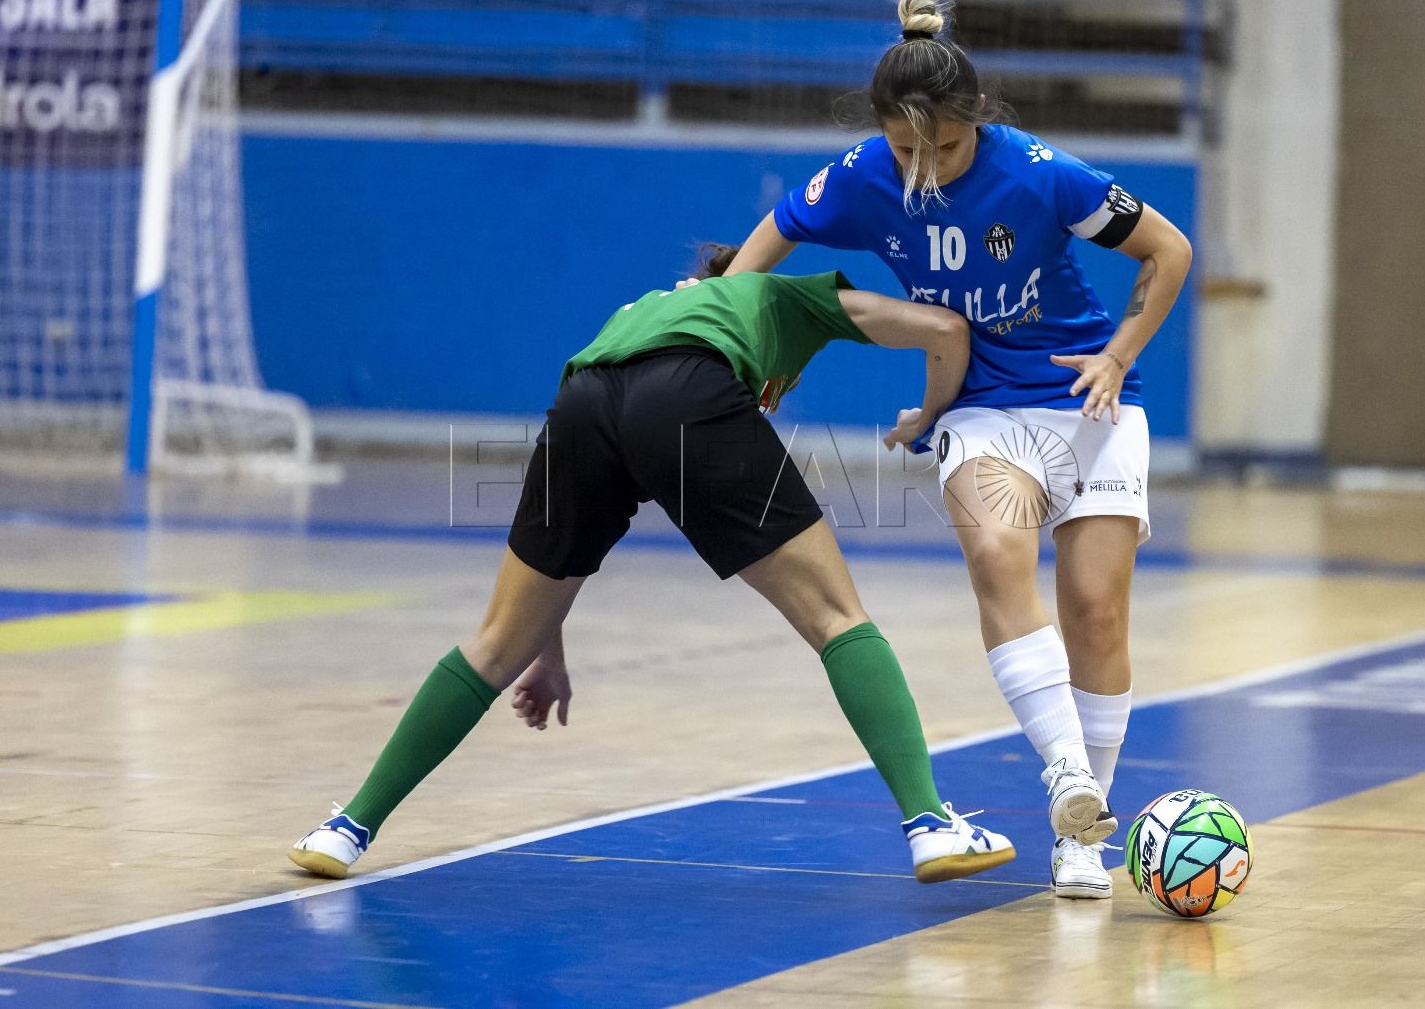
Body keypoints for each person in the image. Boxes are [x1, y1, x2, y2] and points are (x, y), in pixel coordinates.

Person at [289, 246, 1016, 885]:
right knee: (837, 618)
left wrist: (547, 650)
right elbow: (945, 330)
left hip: (581, 404)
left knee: (494, 644)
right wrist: (931, 415)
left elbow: (566, 530)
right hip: (689, 393)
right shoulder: (780, 294)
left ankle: (345, 829)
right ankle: (930, 823)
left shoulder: (642, 311)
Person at [722, 0, 1194, 899]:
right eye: (907, 151)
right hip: (980, 408)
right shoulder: (862, 175)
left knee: (1097, 611)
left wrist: (1118, 353)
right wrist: (720, 323)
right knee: (995, 552)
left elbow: (1167, 249)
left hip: (1087, 401)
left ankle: (1084, 838)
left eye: (943, 148)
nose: (925, 169)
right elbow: (770, 241)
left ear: (975, 119)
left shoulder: (1042, 175)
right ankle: (1068, 777)